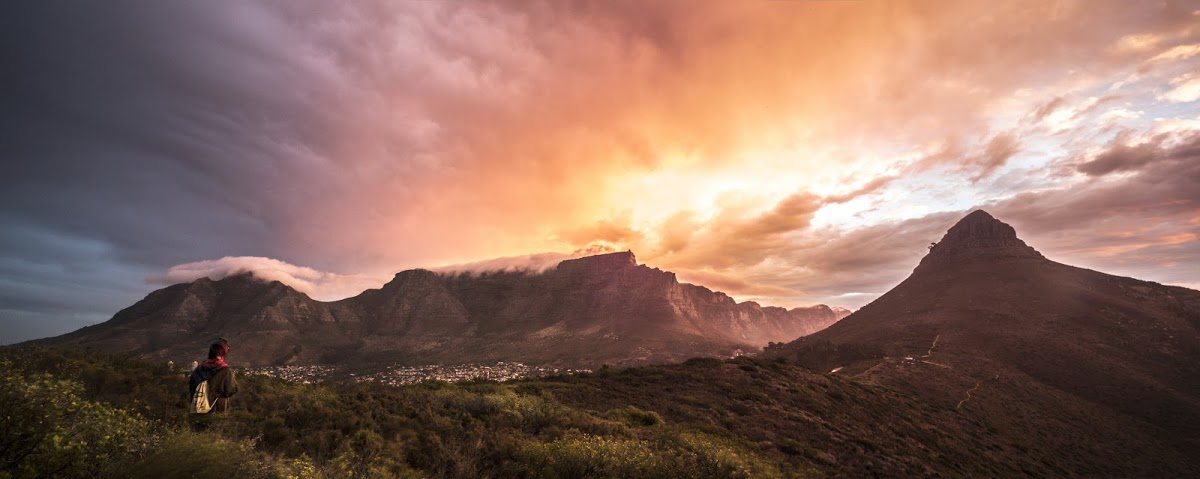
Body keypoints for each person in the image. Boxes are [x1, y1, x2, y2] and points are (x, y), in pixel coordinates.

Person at [188, 338, 239, 413]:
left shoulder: (199, 369)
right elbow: (230, 390)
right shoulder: (225, 370)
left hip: (198, 409)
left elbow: (191, 388)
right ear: (222, 353)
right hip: (217, 410)